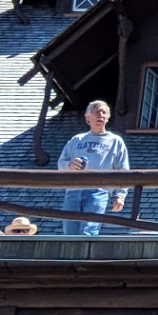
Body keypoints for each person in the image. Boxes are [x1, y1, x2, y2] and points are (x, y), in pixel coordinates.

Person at [58, 101, 130, 236]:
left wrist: (120, 195)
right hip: (73, 191)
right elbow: (61, 163)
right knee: (69, 232)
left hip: (99, 192)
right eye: (96, 112)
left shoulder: (115, 141)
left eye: (104, 112)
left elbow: (123, 170)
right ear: (88, 118)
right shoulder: (77, 139)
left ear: (107, 117)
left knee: (89, 230)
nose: (100, 115)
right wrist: (70, 165)